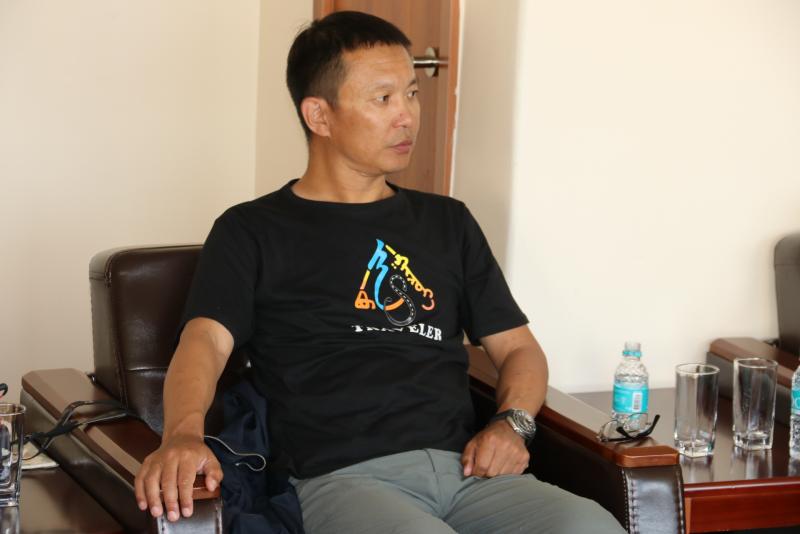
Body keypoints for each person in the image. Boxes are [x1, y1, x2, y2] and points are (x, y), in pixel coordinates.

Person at [134, 11, 625, 534]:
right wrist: (182, 435)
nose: (407, 116)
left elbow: (519, 348)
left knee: (590, 526)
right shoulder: (251, 230)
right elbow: (206, 342)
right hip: (341, 479)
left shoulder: (448, 222)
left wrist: (513, 424)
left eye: (411, 93)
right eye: (383, 98)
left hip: (471, 474)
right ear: (319, 116)